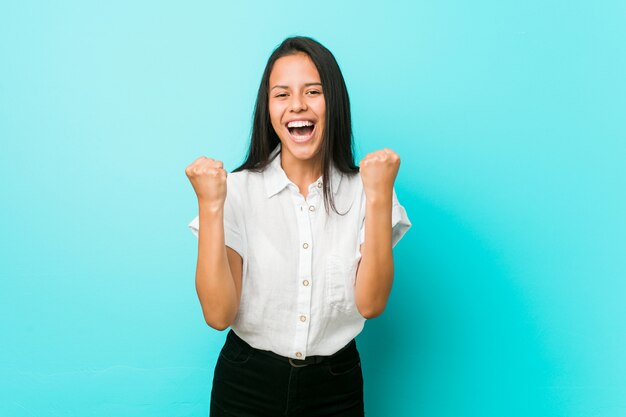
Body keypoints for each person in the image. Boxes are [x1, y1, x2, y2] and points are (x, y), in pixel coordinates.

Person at [185, 36, 411, 417]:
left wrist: (378, 197)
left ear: (333, 102)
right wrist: (210, 206)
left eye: (313, 91)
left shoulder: (366, 190)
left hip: (335, 386)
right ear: (268, 108)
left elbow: (370, 304)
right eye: (282, 94)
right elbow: (218, 315)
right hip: (246, 385)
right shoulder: (236, 191)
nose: (297, 106)